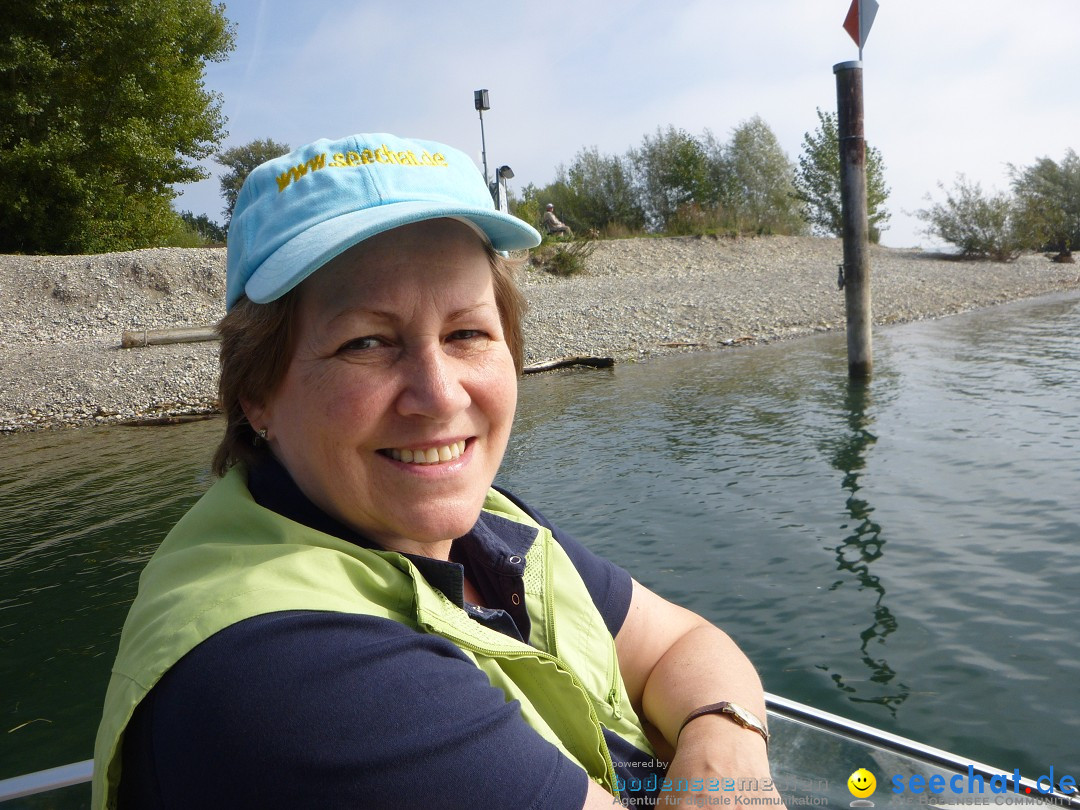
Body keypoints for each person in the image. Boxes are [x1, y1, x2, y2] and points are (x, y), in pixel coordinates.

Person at [92, 133, 783, 809]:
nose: (442, 395)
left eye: (467, 334)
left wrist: (723, 740)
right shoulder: (290, 673)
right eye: (366, 342)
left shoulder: (491, 527)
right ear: (257, 393)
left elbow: (683, 643)